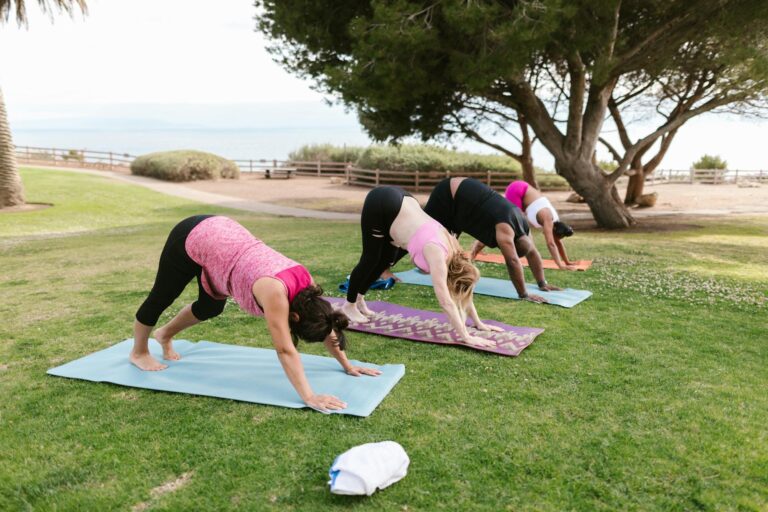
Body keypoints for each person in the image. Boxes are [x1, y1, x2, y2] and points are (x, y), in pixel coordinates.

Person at [131, 215, 380, 412]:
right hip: (195, 236)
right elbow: (284, 349)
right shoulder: (276, 295)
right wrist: (309, 396)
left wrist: (347, 365)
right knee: (162, 296)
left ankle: (164, 335)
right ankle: (139, 351)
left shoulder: (309, 291)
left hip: (224, 241)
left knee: (210, 306)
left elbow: (327, 321)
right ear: (295, 318)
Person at [341, 186, 500, 348]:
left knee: (384, 262)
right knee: (370, 258)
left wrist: (478, 323)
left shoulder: (455, 250)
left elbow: (464, 293)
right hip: (383, 204)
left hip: (401, 202)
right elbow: (446, 301)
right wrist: (466, 336)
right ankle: (349, 305)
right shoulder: (438, 257)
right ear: (453, 279)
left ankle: (359, 299)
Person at [423, 178, 562, 303]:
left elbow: (533, 253)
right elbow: (512, 261)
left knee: (447, 244)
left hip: (463, 201)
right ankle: (419, 263)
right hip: (450, 193)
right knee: (421, 229)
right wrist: (524, 294)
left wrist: (542, 283)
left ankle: (428, 265)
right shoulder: (505, 229)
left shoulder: (523, 228)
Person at [504, 180, 577, 270]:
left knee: (515, 226)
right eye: (555, 236)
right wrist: (560, 265)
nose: (554, 239)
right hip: (517, 189)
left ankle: (481, 247)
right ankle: (481, 246)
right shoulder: (548, 219)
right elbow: (551, 244)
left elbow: (558, 243)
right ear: (554, 229)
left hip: (523, 192)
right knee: (509, 226)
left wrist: (567, 262)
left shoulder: (556, 224)